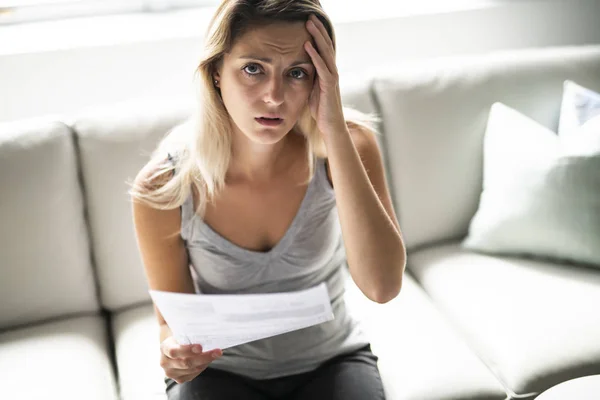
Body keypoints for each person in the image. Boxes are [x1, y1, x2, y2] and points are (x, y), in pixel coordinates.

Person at [129, 0, 406, 398]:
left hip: (331, 359)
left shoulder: (347, 146)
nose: (274, 97)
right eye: (253, 69)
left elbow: (382, 287)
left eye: (297, 73)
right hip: (221, 371)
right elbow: (171, 322)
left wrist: (333, 129)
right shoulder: (164, 187)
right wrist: (175, 352)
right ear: (216, 72)